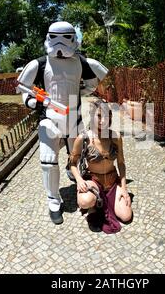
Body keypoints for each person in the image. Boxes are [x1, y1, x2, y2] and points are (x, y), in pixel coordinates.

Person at [17, 22, 109, 225]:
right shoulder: (39, 64)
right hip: (50, 120)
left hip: (74, 119)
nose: (60, 44)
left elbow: (94, 82)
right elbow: (23, 89)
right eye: (55, 37)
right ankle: (53, 201)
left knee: (80, 158)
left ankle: (84, 189)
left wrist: (81, 92)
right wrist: (36, 101)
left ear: (73, 38)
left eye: (65, 38)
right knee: (48, 162)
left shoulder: (81, 62)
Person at [69, 99, 133, 233]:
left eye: (106, 116)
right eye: (99, 116)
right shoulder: (83, 138)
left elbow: (121, 163)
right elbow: (72, 164)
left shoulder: (115, 137)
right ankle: (94, 204)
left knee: (126, 216)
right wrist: (79, 180)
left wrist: (124, 188)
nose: (103, 121)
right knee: (85, 201)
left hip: (112, 181)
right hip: (94, 181)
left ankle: (102, 203)